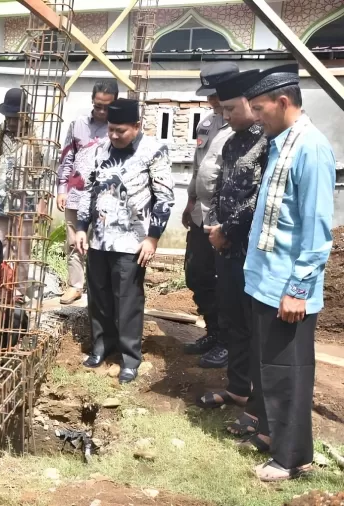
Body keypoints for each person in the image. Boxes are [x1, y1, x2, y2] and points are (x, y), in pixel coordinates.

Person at [241, 63, 335, 482]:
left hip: (288, 289)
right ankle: (269, 434)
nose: (255, 117)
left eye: (259, 109)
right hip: (264, 281)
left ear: (283, 102)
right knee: (268, 368)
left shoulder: (311, 148)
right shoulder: (281, 143)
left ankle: (293, 457)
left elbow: (316, 230)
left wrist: (298, 288)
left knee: (288, 374)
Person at [74, 98, 174, 384]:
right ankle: (101, 347)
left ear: (137, 126)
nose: (115, 136)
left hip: (133, 241)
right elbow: (87, 191)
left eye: (121, 131)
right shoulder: (100, 150)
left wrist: (152, 238)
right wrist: (82, 227)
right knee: (99, 297)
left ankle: (130, 358)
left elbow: (165, 197)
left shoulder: (153, 151)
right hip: (100, 240)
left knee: (128, 300)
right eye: (111, 130)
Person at [195, 70, 268, 422]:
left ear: (250, 104)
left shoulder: (267, 141)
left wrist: (229, 230)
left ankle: (260, 401)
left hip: (252, 251)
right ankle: (238, 388)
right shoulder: (232, 140)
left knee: (255, 327)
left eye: (229, 109)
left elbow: (260, 200)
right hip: (225, 248)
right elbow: (225, 188)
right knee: (233, 321)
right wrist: (215, 227)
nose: (225, 116)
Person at [181, 62, 239, 368]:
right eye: (209, 95)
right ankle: (213, 332)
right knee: (197, 274)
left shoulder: (243, 125)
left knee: (225, 281)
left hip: (225, 218)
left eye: (216, 94)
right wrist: (190, 201)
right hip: (201, 214)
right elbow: (198, 165)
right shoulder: (206, 124)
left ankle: (228, 342)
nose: (212, 101)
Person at [56, 80, 118, 305]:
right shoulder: (78, 124)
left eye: (106, 107)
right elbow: (66, 157)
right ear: (92, 101)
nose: (101, 111)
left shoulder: (118, 127)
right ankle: (75, 285)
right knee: (74, 240)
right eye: (98, 105)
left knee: (102, 241)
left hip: (106, 197)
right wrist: (62, 188)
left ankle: (100, 288)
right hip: (76, 192)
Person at [0, 88, 43, 299]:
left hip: (24, 204)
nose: (12, 122)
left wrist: (42, 201)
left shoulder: (36, 141)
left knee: (22, 250)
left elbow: (45, 174)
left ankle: (18, 291)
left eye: (16, 118)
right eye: (9, 118)